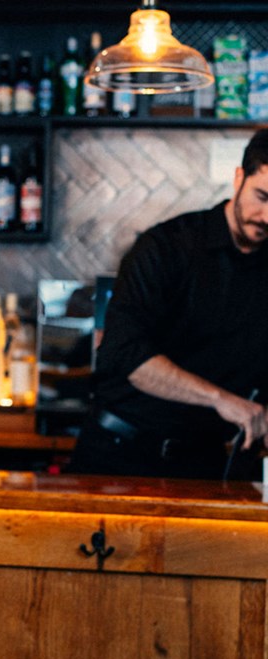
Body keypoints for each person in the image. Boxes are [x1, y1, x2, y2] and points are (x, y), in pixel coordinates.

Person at [69, 128, 268, 481]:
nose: (267, 217)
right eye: (262, 197)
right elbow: (127, 356)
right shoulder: (167, 247)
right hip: (119, 458)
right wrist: (222, 400)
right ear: (239, 178)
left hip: (203, 465)